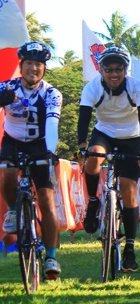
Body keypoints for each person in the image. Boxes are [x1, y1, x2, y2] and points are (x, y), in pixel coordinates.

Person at [78, 47, 140, 272]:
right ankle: (92, 201)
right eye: (108, 69)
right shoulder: (92, 88)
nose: (113, 74)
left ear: (125, 70)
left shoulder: (136, 88)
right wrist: (82, 147)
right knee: (92, 160)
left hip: (132, 137)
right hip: (105, 133)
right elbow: (84, 119)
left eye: (118, 69)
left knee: (128, 190)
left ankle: (129, 248)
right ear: (100, 70)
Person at [0, 41, 63, 278]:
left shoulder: (51, 93)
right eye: (29, 63)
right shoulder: (6, 87)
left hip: (40, 144)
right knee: (6, 172)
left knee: (46, 200)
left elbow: (52, 123)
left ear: (44, 68)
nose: (33, 68)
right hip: (12, 141)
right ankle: (14, 211)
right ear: (21, 65)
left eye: (38, 64)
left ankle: (51, 257)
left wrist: (50, 151)